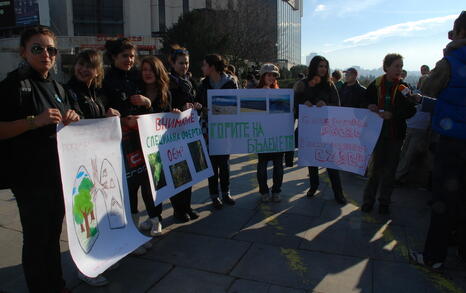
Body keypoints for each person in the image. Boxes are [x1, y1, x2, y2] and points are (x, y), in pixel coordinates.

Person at [0, 26, 80, 293]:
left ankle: (56, 285)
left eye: (51, 49)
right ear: (23, 52)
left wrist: (73, 118)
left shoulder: (58, 87)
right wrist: (35, 121)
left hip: (58, 174)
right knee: (36, 240)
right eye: (37, 48)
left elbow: (72, 117)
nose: (45, 54)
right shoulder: (13, 86)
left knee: (52, 237)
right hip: (29, 178)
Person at [409, 11, 466, 272]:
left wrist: (449, 49)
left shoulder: (450, 61)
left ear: (458, 32)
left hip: (453, 141)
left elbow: (430, 89)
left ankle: (433, 257)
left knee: (444, 199)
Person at [66, 49, 121, 287]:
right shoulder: (66, 92)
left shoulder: (98, 94)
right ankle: (86, 268)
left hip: (96, 166)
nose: (84, 69)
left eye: (90, 66)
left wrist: (110, 114)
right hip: (78, 168)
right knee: (84, 217)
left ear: (98, 71)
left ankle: (99, 258)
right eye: (81, 63)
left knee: (97, 215)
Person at [102, 38, 156, 255]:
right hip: (118, 143)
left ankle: (134, 232)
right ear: (114, 57)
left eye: (132, 56)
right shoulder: (106, 80)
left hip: (139, 140)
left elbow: (153, 103)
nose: (130, 60)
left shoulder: (135, 77)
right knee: (127, 189)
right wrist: (122, 120)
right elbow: (103, 110)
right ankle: (129, 234)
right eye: (125, 56)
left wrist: (147, 102)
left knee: (139, 183)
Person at [361, 53, 416, 215]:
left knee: (390, 171)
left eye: (401, 66)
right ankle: (368, 201)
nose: (400, 69)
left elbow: (410, 110)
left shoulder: (403, 87)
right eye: (397, 66)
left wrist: (393, 115)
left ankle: (384, 202)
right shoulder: (376, 84)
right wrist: (370, 105)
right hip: (377, 134)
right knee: (375, 170)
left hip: (395, 136)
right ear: (387, 67)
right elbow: (364, 100)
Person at [294, 55, 347, 205]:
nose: (323, 69)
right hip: (309, 129)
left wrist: (326, 104)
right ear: (314, 67)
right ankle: (313, 186)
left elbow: (337, 106)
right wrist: (304, 103)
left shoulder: (330, 85)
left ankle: (338, 193)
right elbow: (295, 102)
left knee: (331, 162)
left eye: (325, 66)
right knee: (312, 158)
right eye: (320, 66)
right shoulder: (303, 84)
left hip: (327, 130)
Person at [198, 54, 239, 210]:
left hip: (225, 128)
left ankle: (226, 193)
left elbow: (237, 104)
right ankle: (214, 196)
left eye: (204, 65)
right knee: (212, 163)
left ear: (212, 67)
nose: (202, 68)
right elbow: (198, 102)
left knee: (224, 162)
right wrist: (202, 108)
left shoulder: (230, 82)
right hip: (207, 127)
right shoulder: (203, 84)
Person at [167, 45, 201, 222]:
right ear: (172, 63)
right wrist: (181, 108)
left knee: (189, 172)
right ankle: (178, 210)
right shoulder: (168, 81)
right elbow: (167, 106)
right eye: (181, 63)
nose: (184, 66)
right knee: (178, 172)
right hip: (173, 132)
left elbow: (193, 100)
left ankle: (186, 206)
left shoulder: (188, 80)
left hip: (188, 130)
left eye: (186, 63)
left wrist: (196, 106)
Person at [255, 63, 284, 203]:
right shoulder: (254, 93)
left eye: (274, 75)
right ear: (263, 76)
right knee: (262, 165)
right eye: (269, 74)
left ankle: (276, 191)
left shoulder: (280, 93)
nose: (271, 77)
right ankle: (264, 191)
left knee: (278, 166)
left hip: (277, 134)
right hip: (262, 135)